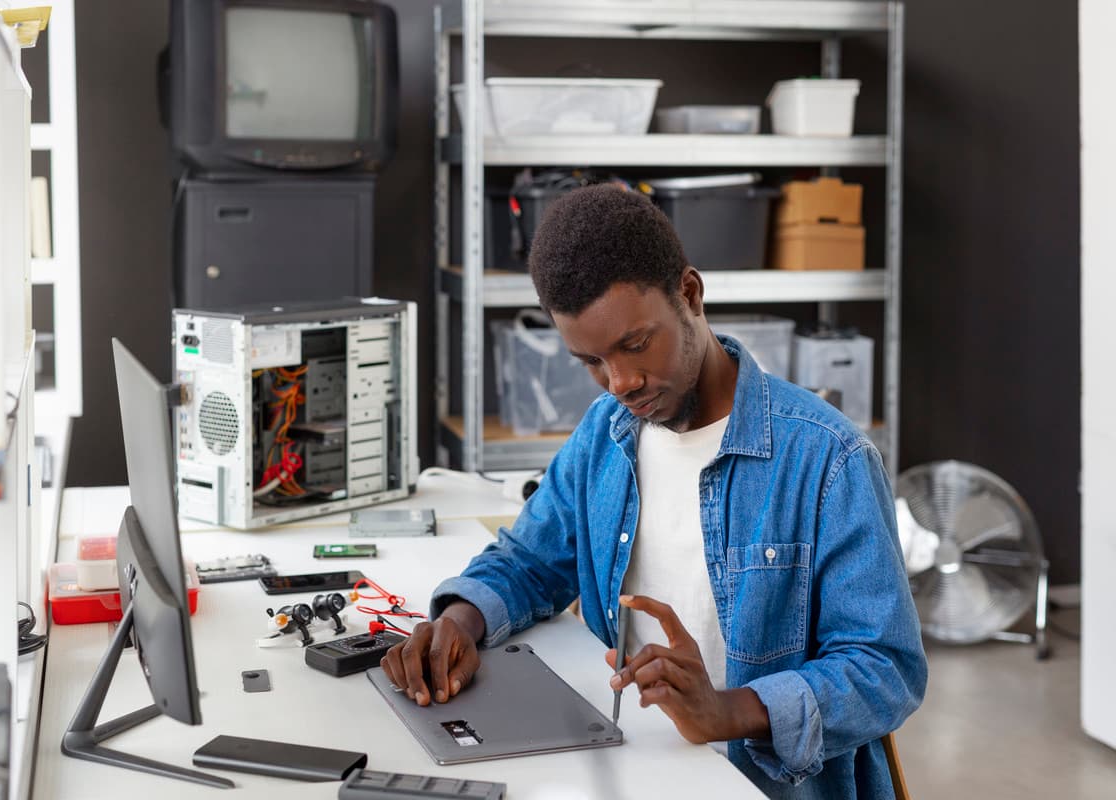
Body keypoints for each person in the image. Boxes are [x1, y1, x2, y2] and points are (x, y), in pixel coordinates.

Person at [381, 185, 927, 798]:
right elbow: (530, 561)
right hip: (629, 764)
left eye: (636, 345)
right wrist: (460, 620)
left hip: (764, 783)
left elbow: (886, 667)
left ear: (690, 295)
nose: (620, 382)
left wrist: (729, 711)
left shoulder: (828, 458)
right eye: (590, 360)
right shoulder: (606, 434)